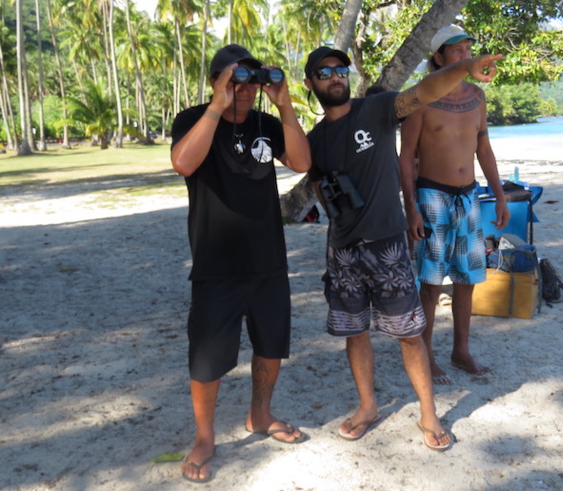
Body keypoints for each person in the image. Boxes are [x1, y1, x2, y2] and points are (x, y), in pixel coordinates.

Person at [303, 45, 501, 451]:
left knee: (409, 334)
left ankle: (429, 414)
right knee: (354, 333)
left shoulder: (374, 110)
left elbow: (424, 91)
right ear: (312, 84)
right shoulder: (315, 140)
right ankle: (368, 407)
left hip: (388, 245)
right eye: (324, 73)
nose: (335, 76)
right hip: (342, 248)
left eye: (341, 69)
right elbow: (307, 175)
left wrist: (464, 67)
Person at [171, 44, 311, 483]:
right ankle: (206, 437)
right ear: (216, 81)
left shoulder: (266, 124)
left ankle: (260, 415)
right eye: (236, 79)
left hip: (268, 259)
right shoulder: (193, 119)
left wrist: (284, 104)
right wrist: (218, 105)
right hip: (217, 263)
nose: (246, 89)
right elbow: (182, 163)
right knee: (208, 358)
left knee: (271, 346)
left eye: (252, 79)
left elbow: (303, 162)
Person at [399, 25, 510, 386]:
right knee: (430, 283)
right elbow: (405, 158)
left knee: (468, 278)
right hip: (432, 195)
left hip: (469, 195)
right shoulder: (420, 99)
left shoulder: (477, 97)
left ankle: (460, 351)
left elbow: (484, 149)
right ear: (439, 58)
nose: (466, 56)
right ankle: (426, 354)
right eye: (457, 51)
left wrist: (500, 194)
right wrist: (411, 207)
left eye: (467, 49)